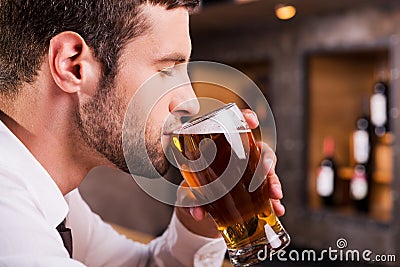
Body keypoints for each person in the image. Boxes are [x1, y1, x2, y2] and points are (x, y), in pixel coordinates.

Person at [0, 0, 286, 266]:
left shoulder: (54, 197)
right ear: (73, 66)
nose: (191, 102)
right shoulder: (10, 227)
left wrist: (196, 227)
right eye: (167, 70)